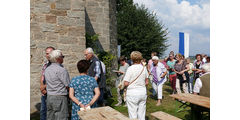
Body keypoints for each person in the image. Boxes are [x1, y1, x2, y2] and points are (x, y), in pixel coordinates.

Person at [44, 50, 70, 120]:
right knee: (61, 117)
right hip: (60, 96)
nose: (63, 58)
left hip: (49, 96)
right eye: (62, 57)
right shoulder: (62, 70)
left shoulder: (47, 69)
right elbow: (67, 85)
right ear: (58, 58)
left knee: (50, 117)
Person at [123, 51, 149, 120]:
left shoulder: (130, 69)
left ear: (132, 59)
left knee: (133, 115)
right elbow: (147, 82)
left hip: (132, 93)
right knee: (142, 114)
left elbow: (126, 83)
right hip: (142, 92)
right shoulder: (144, 68)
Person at [40, 46, 55, 120]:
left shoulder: (57, 65)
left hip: (52, 93)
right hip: (44, 92)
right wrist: (41, 87)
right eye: (46, 53)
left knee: (51, 113)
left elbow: (55, 80)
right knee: (43, 111)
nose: (48, 55)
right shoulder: (45, 64)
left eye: (50, 53)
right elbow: (42, 76)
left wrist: (45, 86)